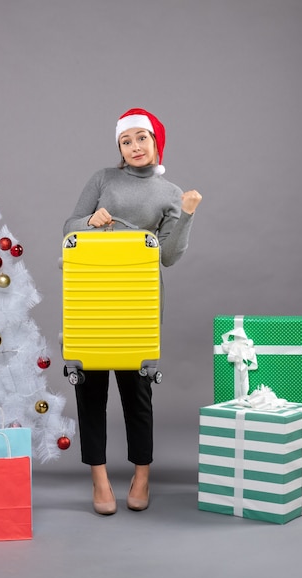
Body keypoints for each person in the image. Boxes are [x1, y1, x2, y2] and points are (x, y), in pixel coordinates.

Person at [63, 108, 202, 515]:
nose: (134, 147)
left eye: (141, 138)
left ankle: (142, 475)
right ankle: (99, 478)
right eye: (127, 141)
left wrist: (188, 213)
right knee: (90, 390)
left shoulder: (171, 193)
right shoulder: (102, 179)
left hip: (137, 298)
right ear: (120, 147)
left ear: (156, 141)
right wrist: (90, 220)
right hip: (91, 292)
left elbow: (170, 255)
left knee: (136, 392)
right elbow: (69, 226)